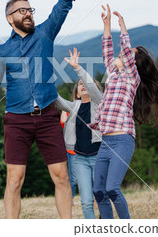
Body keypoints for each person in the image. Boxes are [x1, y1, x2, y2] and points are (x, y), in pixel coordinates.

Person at [0, 0, 98, 219]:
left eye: (30, 9)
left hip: (48, 118)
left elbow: (65, 1)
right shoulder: (2, 51)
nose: (28, 13)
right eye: (21, 10)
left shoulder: (45, 35)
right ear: (10, 18)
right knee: (14, 180)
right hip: (16, 120)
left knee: (62, 177)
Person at [90, 4, 158, 219]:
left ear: (132, 63)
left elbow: (125, 49)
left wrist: (122, 27)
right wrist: (106, 25)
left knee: (112, 188)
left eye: (127, 55)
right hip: (106, 142)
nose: (120, 54)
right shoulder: (114, 73)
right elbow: (107, 49)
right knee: (98, 190)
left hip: (122, 140)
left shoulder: (132, 78)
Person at [55, 48, 103, 219]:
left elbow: (90, 84)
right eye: (80, 85)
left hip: (98, 156)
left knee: (101, 196)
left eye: (86, 84)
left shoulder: (99, 103)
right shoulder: (73, 106)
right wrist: (43, 81)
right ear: (76, 92)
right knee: (86, 201)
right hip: (80, 158)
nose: (83, 85)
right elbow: (56, 100)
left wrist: (78, 69)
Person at [60, 111, 78, 206]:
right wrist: (64, 109)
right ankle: (70, 199)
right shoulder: (69, 109)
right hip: (72, 151)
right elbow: (63, 121)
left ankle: (95, 199)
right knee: (74, 178)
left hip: (88, 149)